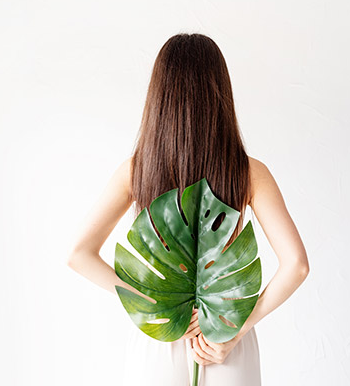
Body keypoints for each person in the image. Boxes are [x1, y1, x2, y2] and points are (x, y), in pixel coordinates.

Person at [66, 33, 310, 386]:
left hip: (159, 340)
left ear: (160, 96)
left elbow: (78, 253)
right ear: (219, 94)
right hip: (221, 342)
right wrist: (235, 330)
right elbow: (297, 266)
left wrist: (154, 303)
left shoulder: (137, 171)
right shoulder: (248, 172)